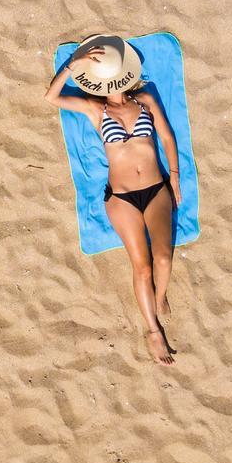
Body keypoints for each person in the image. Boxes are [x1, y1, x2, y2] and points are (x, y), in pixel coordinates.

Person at [43, 35, 180, 365]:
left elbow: (165, 135)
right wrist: (73, 65)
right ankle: (153, 331)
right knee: (142, 266)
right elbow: (52, 97)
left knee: (163, 260)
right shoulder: (95, 109)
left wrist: (174, 175)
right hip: (121, 198)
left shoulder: (145, 99)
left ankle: (160, 296)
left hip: (156, 188)